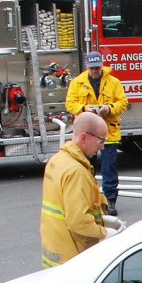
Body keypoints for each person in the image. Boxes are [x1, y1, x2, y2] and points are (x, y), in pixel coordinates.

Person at [40, 112, 124, 268]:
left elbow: (66, 208)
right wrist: (105, 233)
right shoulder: (76, 171)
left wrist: (102, 220)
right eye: (100, 140)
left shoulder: (57, 160)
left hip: (55, 251)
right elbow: (78, 221)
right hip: (72, 259)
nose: (102, 146)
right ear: (84, 137)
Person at [65, 52, 128, 216]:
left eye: (97, 68)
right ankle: (88, 199)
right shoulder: (77, 82)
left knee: (109, 168)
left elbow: (123, 102)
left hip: (109, 132)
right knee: (86, 167)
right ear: (87, 66)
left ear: (102, 66)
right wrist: (86, 109)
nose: (95, 71)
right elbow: (70, 104)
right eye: (92, 68)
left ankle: (110, 200)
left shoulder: (113, 82)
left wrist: (109, 109)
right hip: (87, 134)